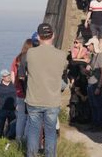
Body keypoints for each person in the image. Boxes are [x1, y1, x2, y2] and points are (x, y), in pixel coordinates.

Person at [25, 23, 68, 157]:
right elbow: (63, 72)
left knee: (33, 131)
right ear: (53, 35)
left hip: (34, 99)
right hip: (52, 100)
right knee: (50, 132)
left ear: (38, 36)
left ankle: (31, 155)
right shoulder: (61, 55)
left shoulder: (30, 53)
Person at [11, 39, 33, 142]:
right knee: (29, 117)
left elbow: (12, 78)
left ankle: (18, 139)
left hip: (19, 92)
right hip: (29, 92)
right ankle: (25, 138)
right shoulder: (30, 59)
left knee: (20, 118)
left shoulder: (16, 59)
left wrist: (16, 88)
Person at [85, 37, 102, 131]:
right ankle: (94, 124)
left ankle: (98, 126)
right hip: (91, 84)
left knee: (97, 106)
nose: (87, 47)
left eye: (89, 45)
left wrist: (99, 86)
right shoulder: (93, 56)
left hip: (95, 85)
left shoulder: (100, 56)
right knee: (93, 105)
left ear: (93, 45)